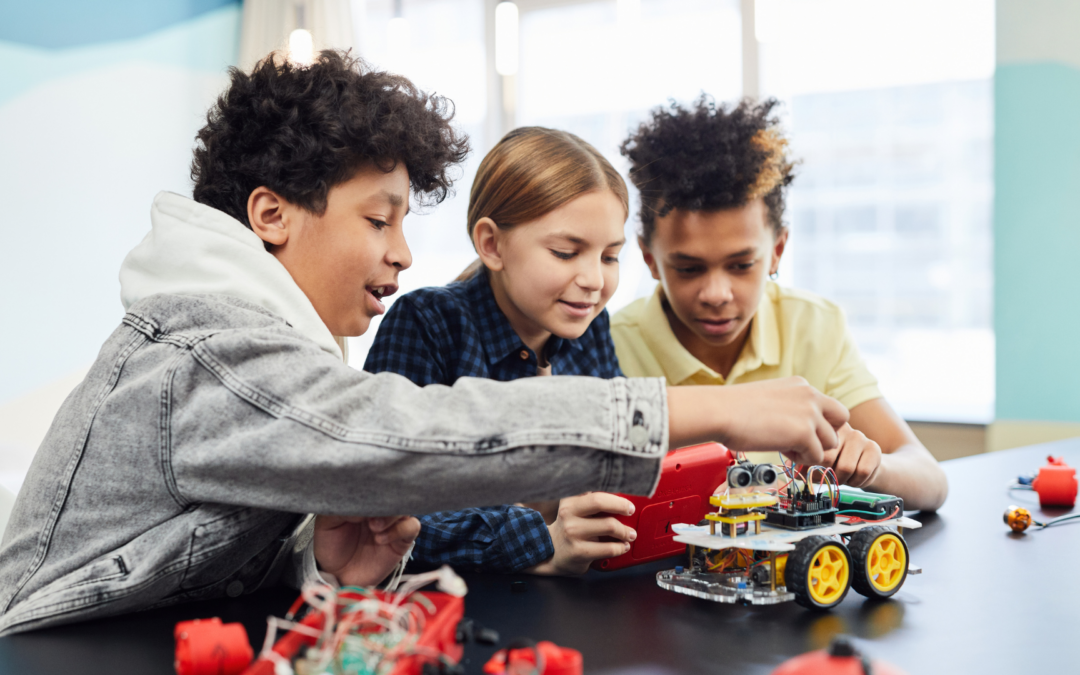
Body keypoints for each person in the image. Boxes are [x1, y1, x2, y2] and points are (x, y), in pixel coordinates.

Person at [0, 54, 847, 636]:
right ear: (271, 215)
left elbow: (188, 573)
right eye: (380, 219)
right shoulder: (209, 351)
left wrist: (325, 570)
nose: (404, 252)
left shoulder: (269, 347)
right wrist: (714, 409)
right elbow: (409, 432)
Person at [613, 96, 947, 511]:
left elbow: (931, 480)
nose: (716, 294)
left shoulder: (814, 326)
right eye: (688, 268)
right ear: (649, 259)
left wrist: (871, 468)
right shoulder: (607, 346)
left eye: (741, 265)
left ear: (777, 250)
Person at [365, 127, 638, 575]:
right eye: (567, 253)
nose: (594, 279)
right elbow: (388, 516)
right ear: (492, 244)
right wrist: (542, 542)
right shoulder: (428, 323)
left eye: (609, 257)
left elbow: (620, 461)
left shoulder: (590, 325)